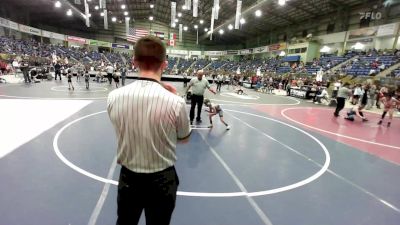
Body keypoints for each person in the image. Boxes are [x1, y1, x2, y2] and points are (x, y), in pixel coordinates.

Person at [107, 36, 191, 225]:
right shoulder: (176, 102)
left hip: (129, 178)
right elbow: (184, 138)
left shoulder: (113, 97)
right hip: (162, 180)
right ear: (164, 64)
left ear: (134, 61)